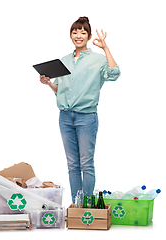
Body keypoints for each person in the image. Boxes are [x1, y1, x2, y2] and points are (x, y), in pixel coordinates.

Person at [40, 17, 121, 203]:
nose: (79, 35)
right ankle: (76, 205)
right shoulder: (64, 60)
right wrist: (49, 83)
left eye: (83, 32)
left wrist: (105, 48)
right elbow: (61, 90)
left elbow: (114, 74)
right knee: (72, 165)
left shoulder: (98, 59)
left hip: (86, 117)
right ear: (70, 35)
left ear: (89, 36)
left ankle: (88, 203)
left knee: (86, 164)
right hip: (65, 117)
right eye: (75, 32)